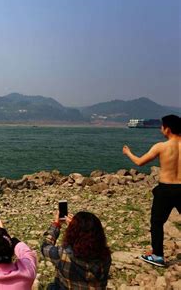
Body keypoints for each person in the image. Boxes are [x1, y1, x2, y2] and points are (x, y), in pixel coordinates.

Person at [123, 114, 181, 267]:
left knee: (157, 222)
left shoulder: (161, 147)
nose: (161, 129)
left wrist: (128, 153)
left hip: (166, 189)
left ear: (167, 129)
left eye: (162, 126)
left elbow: (140, 162)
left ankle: (158, 256)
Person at [41, 211, 111, 289]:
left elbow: (45, 247)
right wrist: (77, 227)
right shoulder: (106, 257)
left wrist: (57, 224)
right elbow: (87, 238)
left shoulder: (63, 254)